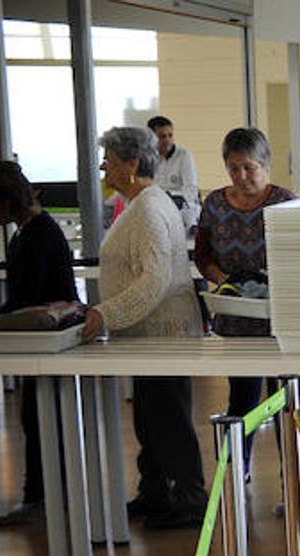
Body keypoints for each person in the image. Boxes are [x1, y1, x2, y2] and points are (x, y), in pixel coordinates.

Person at [82, 126, 207, 529]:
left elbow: (154, 280)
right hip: (149, 335)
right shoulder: (139, 204)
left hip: (163, 334)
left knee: (168, 418)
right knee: (151, 418)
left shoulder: (149, 208)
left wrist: (105, 314)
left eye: (111, 161)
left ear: (132, 164)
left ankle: (190, 500)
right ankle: (155, 492)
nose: (104, 167)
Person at [193, 127, 296, 471]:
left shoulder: (285, 202)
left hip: (280, 319)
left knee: (286, 400)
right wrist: (226, 281)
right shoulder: (215, 204)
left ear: (265, 165)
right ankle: (238, 469)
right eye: (234, 168)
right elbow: (203, 256)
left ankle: (291, 476)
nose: (241, 176)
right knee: (242, 396)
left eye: (249, 167)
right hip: (235, 318)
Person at [0, 161, 78, 527]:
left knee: (42, 420)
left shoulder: (37, 234)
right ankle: (42, 497)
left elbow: (28, 296)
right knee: (37, 420)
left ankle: (41, 498)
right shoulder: (29, 231)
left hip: (49, 341)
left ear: (6, 202)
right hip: (43, 339)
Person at [147, 115, 200, 235]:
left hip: (181, 209)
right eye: (162, 136)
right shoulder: (146, 159)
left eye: (170, 135)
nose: (167, 140)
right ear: (151, 138)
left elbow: (191, 189)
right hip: (155, 210)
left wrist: (170, 197)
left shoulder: (184, 156)